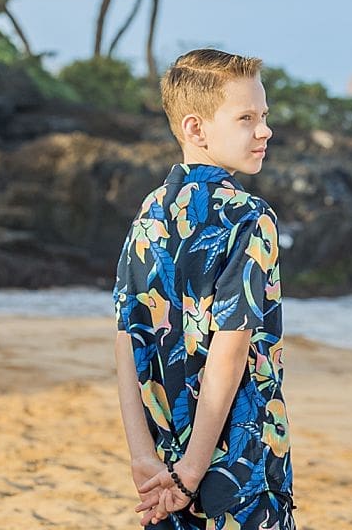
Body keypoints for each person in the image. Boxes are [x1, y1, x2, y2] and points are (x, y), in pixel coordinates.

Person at [113, 49, 293, 530]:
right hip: (236, 459)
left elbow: (127, 341)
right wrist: (194, 471)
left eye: (264, 116)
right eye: (246, 118)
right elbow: (230, 351)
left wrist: (142, 457)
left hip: (162, 456)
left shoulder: (149, 214)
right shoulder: (251, 218)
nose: (264, 130)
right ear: (196, 129)